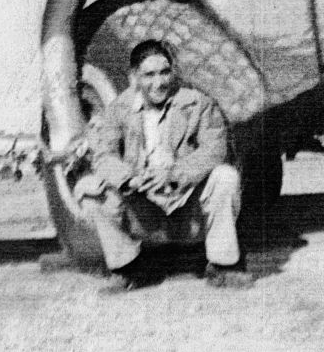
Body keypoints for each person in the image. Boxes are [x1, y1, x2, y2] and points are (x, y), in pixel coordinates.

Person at [75, 40, 253, 292]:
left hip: (188, 203)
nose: (159, 83)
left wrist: (174, 173)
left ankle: (223, 266)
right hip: (143, 206)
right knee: (88, 188)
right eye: (149, 75)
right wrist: (130, 179)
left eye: (164, 72)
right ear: (134, 77)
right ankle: (127, 269)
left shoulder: (198, 104)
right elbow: (103, 156)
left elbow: (215, 149)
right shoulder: (118, 109)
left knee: (225, 177)